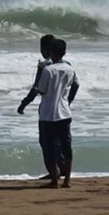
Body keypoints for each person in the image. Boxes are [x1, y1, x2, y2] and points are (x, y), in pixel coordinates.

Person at [17, 34, 65, 180]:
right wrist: (68, 101)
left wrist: (24, 103)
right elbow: (75, 85)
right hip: (63, 110)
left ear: (46, 49)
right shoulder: (66, 65)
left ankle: (53, 172)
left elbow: (36, 89)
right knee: (59, 141)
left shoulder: (44, 66)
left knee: (46, 142)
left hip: (47, 111)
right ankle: (62, 169)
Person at [36, 38, 79, 188]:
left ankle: (54, 181)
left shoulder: (48, 70)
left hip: (48, 114)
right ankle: (67, 181)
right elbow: (74, 86)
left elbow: (41, 89)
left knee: (51, 147)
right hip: (65, 113)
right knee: (67, 147)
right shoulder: (70, 69)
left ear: (51, 52)